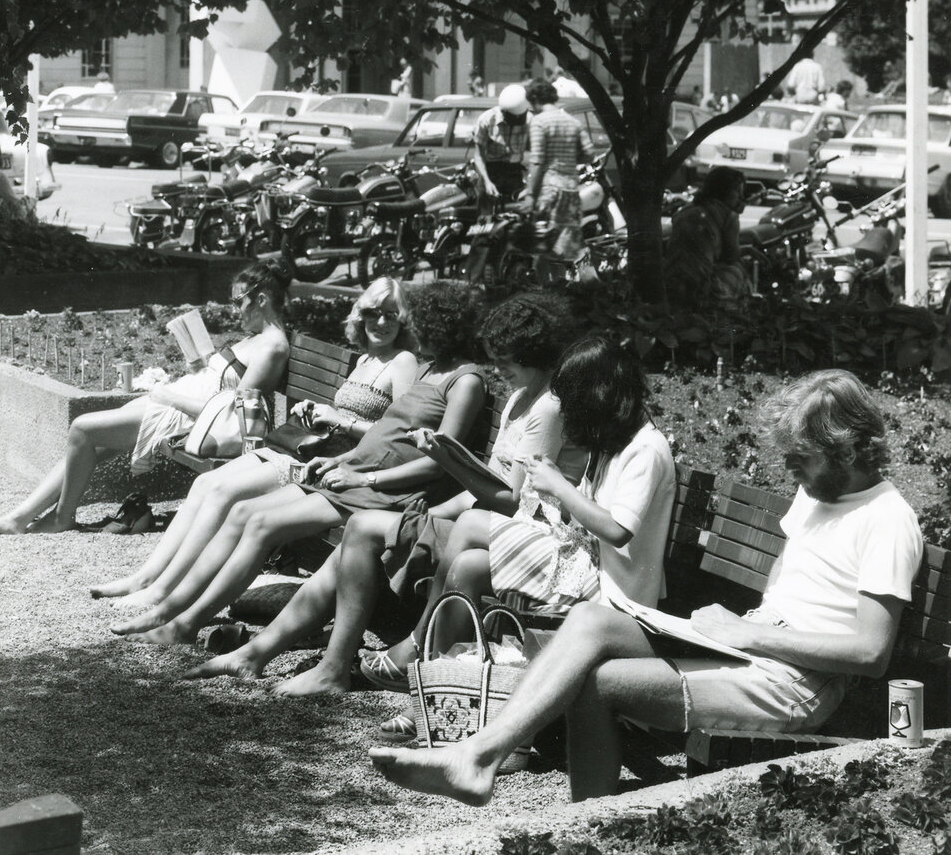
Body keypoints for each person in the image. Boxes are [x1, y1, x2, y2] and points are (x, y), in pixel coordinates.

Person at [369, 369, 923, 805]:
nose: (789, 468)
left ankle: (584, 819)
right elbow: (786, 578)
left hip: (796, 682)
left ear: (848, 448)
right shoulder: (816, 493)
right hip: (751, 644)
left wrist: (749, 636)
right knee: (591, 620)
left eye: (801, 458)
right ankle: (480, 756)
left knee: (600, 682)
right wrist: (745, 626)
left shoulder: (888, 520)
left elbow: (870, 653)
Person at [185, 292, 587, 692]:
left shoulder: (546, 408)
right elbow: (483, 489)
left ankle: (327, 667)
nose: (498, 369)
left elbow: (513, 501)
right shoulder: (521, 397)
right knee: (356, 537)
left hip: (512, 534)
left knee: (361, 528)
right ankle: (260, 654)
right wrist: (429, 513)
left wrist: (443, 461)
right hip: (477, 521)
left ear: (533, 353)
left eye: (506, 359)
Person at [108, 282, 487, 643]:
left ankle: (184, 624)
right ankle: (170, 611)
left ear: (441, 327)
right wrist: (339, 459)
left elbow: (439, 461)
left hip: (382, 488)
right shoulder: (429, 369)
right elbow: (387, 434)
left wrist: (361, 476)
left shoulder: (461, 379)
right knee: (244, 513)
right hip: (352, 469)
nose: (408, 329)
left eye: (412, 321)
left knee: (261, 524)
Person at [360, 333, 675, 708]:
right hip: (588, 562)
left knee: (471, 524)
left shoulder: (646, 449)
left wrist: (558, 486)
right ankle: (438, 681)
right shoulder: (617, 442)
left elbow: (617, 531)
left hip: (612, 590)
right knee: (469, 565)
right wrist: (549, 492)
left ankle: (421, 651)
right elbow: (587, 513)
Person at [89, 277, 418, 605]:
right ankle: (146, 578)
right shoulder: (365, 359)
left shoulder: (403, 361)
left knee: (222, 493)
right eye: (374, 313)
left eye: (391, 314)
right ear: (361, 315)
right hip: (309, 444)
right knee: (205, 484)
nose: (381, 322)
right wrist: (315, 409)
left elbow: (400, 433)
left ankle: (163, 591)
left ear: (403, 319)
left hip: (332, 461)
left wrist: (341, 420)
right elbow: (345, 413)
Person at [0, 263, 291, 536]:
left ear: (261, 299)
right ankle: (19, 518)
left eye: (239, 301)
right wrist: (199, 366)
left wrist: (169, 397)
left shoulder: (272, 347)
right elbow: (223, 385)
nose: (234, 309)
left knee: (82, 429)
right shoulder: (258, 339)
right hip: (178, 402)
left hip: (190, 418)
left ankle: (61, 518)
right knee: (95, 443)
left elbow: (233, 411)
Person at [520, 78, 595, 259]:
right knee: (564, 248)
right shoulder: (573, 122)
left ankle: (545, 277)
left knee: (543, 246)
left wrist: (530, 195)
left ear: (535, 99)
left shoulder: (539, 122)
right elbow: (589, 153)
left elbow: (537, 161)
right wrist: (569, 158)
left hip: (549, 190)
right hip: (571, 190)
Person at [664, 165, 750, 310]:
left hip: (670, 285)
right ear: (724, 191)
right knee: (738, 269)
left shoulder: (687, 209)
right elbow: (731, 256)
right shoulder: (728, 216)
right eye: (737, 192)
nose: (741, 197)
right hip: (701, 290)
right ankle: (736, 310)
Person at [472, 84, 530, 204]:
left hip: (514, 171)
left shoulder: (530, 120)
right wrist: (487, 182)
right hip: (491, 171)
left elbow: (534, 153)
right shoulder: (487, 120)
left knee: (515, 210)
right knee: (486, 209)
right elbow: (478, 155)